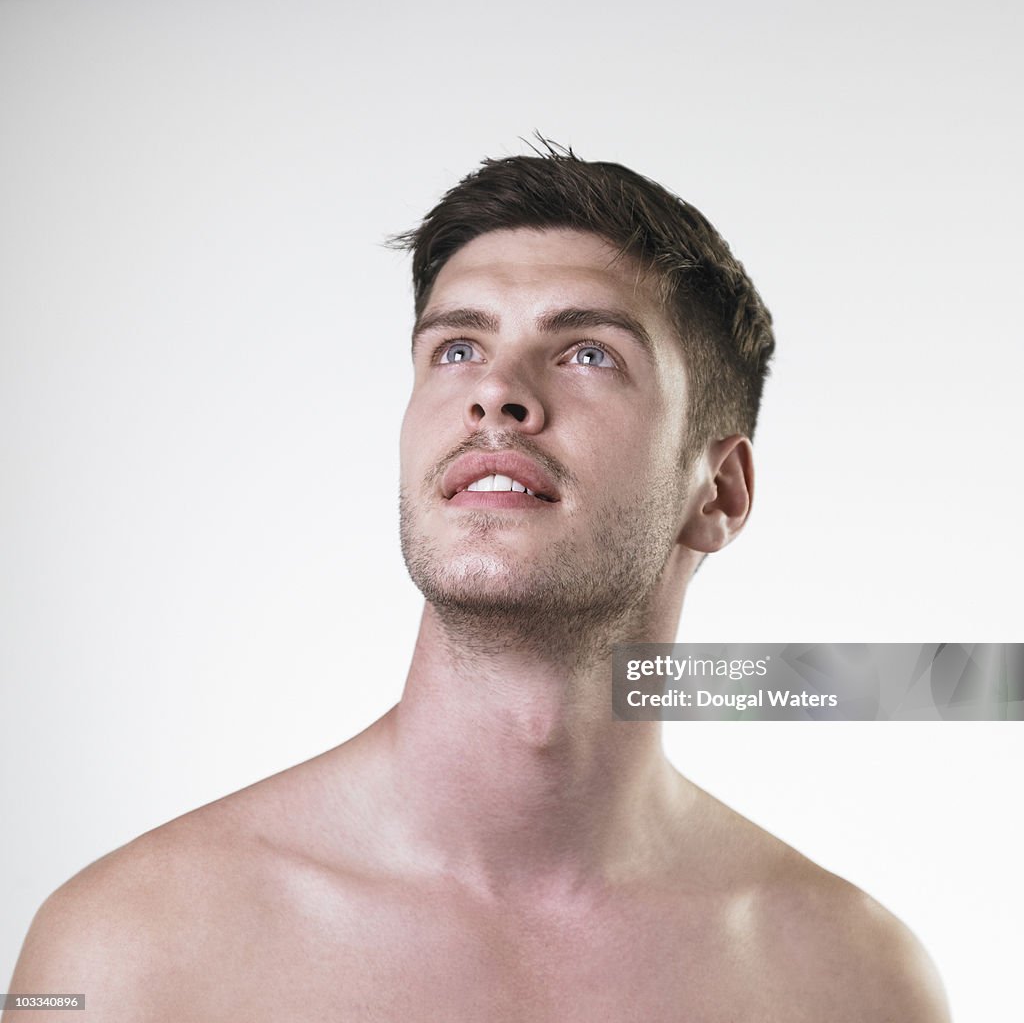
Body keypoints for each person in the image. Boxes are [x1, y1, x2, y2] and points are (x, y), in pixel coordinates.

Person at [5, 142, 949, 1021]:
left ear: (720, 491)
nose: (495, 390)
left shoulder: (852, 982)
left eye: (590, 353)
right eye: (456, 347)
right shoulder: (123, 955)